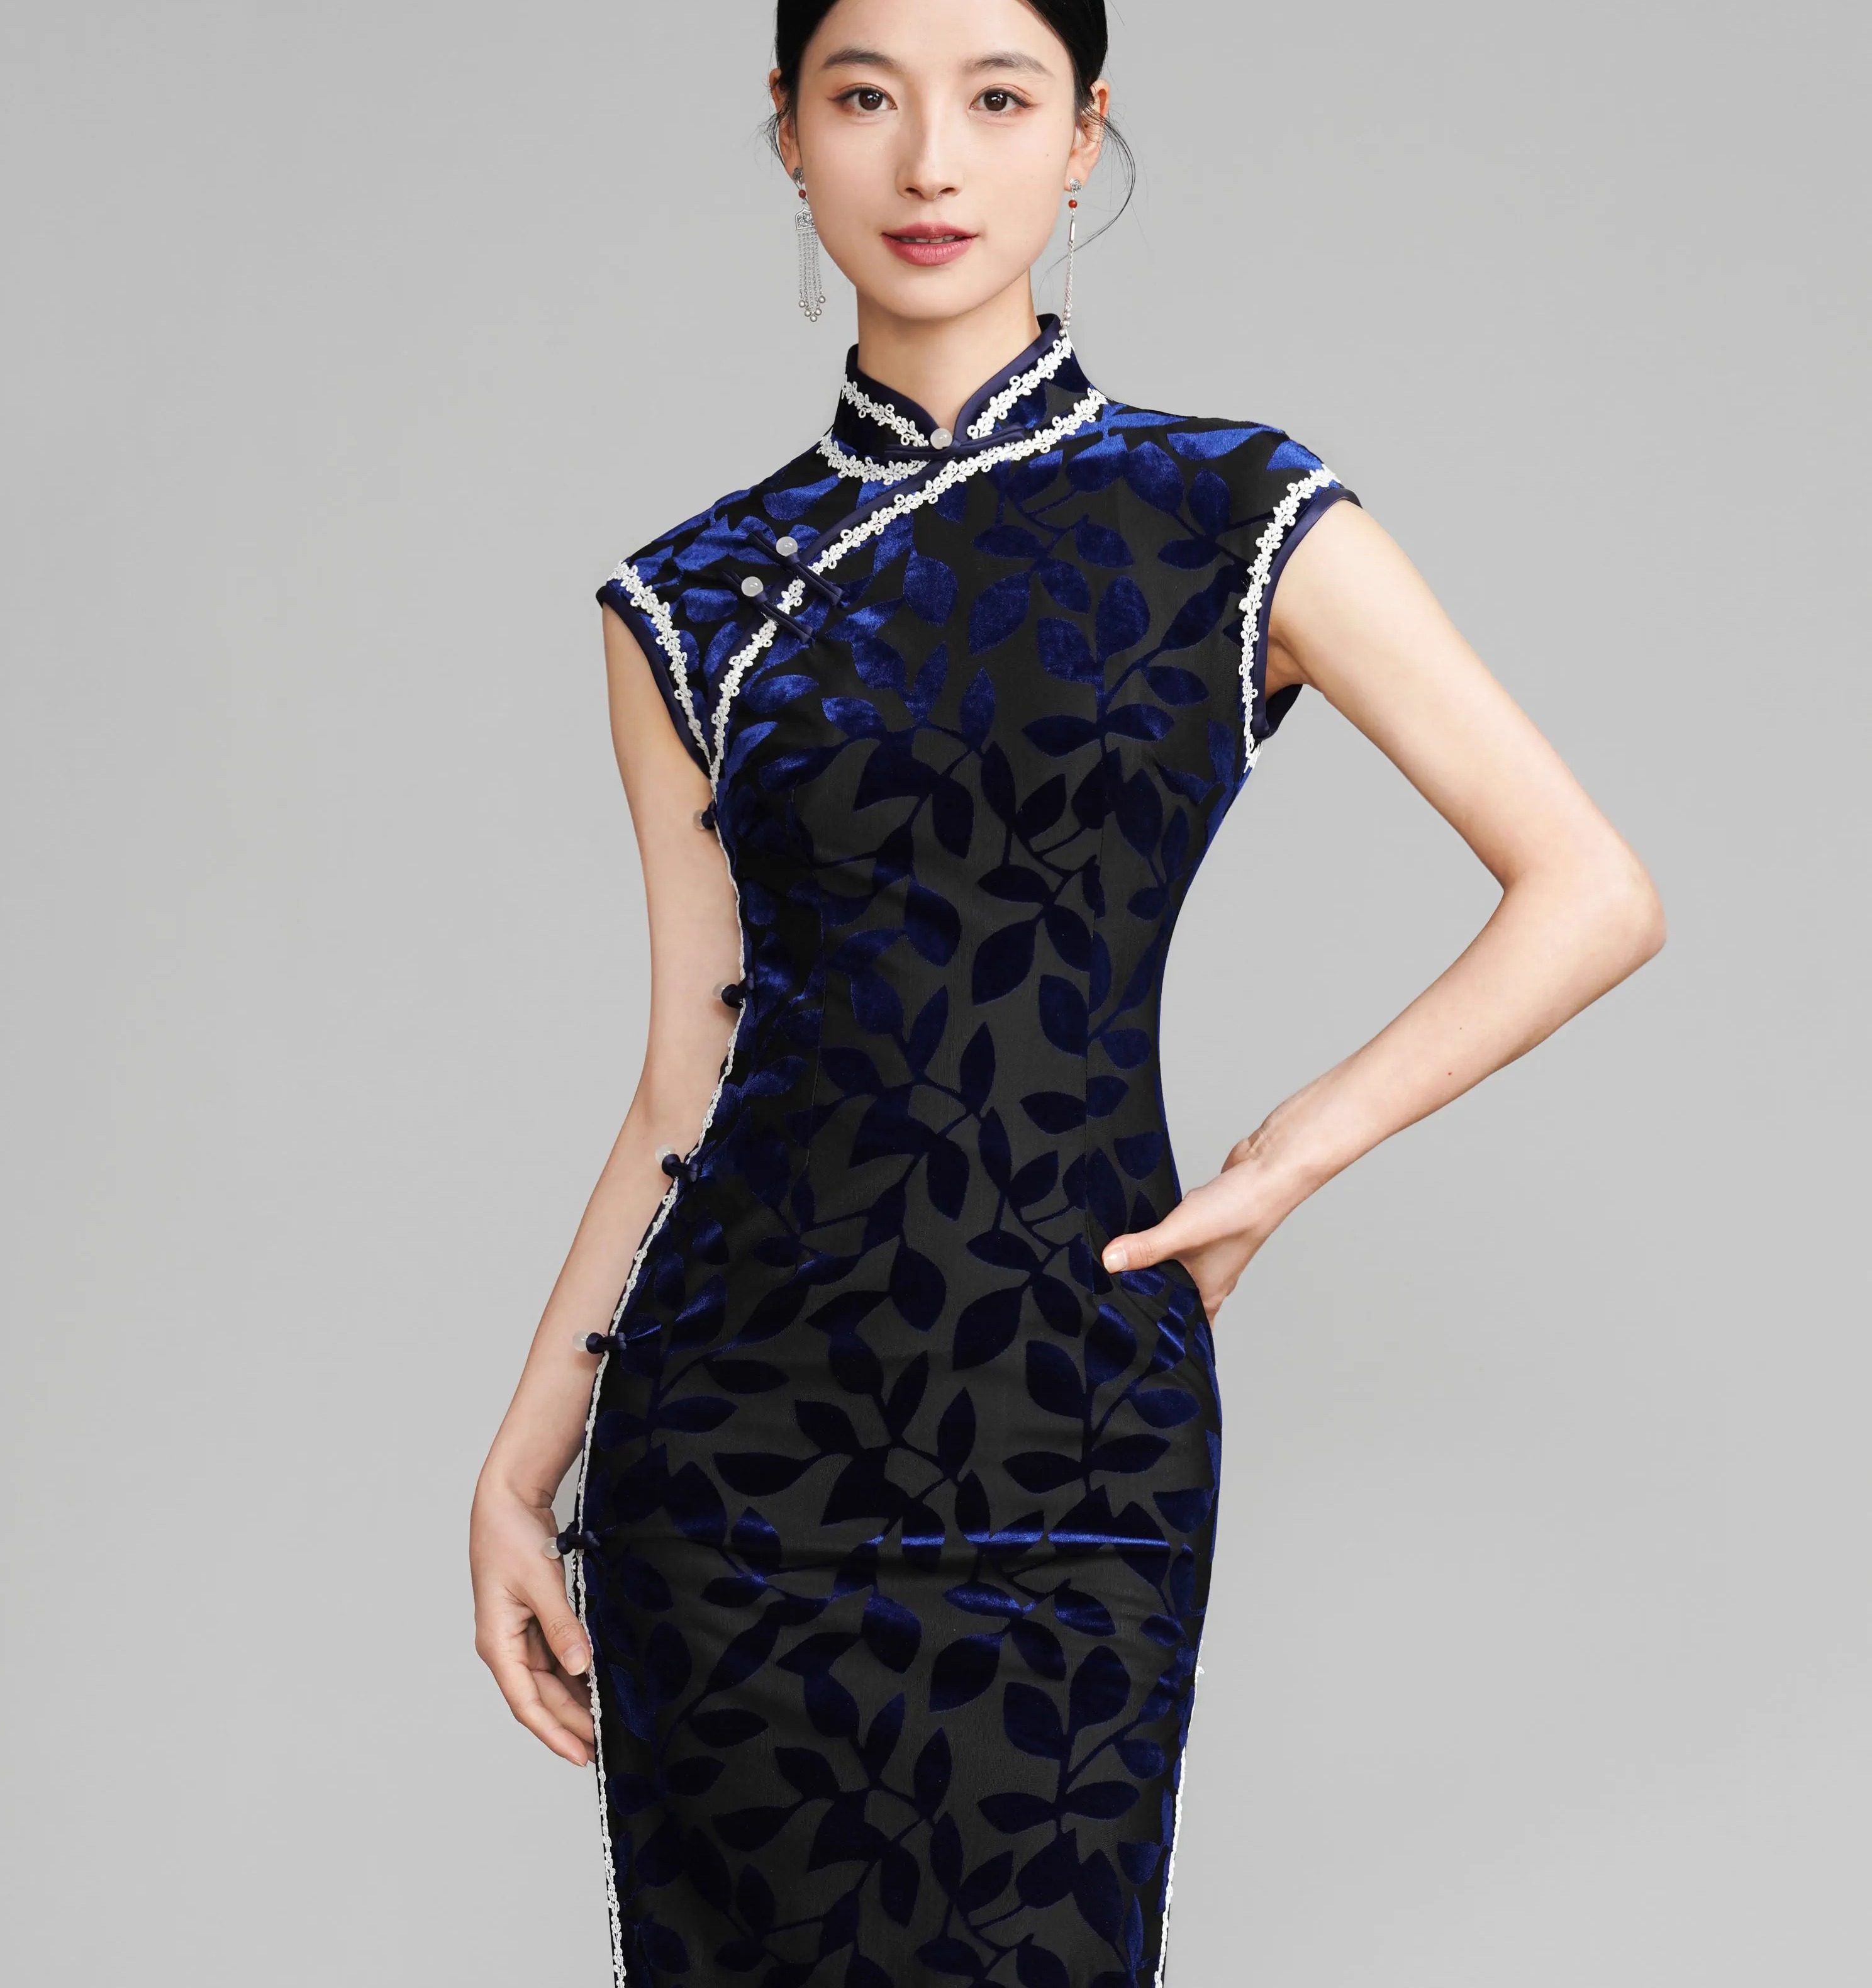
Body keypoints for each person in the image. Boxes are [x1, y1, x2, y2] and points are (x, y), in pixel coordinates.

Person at [470, 3, 1665, 1982]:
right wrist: (523, 1466)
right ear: (788, 130)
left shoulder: (1233, 515)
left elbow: (1592, 891)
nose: (931, 159)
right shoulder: (691, 599)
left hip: (1068, 1431)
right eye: (866, 97)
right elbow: (692, 1069)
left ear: (1086, 133)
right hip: (733, 1448)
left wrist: (1288, 1155)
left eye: (999, 98)